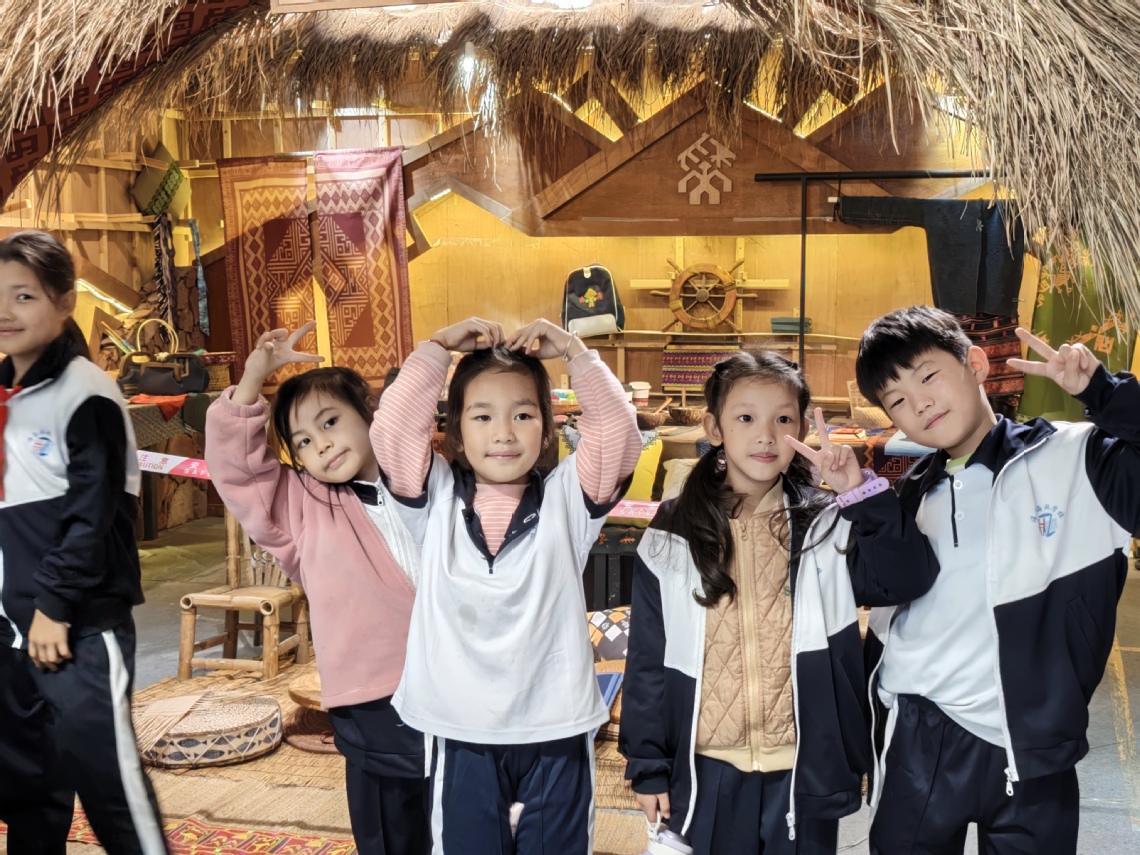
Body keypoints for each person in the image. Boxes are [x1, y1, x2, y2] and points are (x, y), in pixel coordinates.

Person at [619, 350, 939, 855]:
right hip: (707, 770)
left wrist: (861, 493)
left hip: (804, 767)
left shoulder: (828, 523)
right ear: (715, 427)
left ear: (802, 430)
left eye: (783, 419)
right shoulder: (673, 532)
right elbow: (647, 660)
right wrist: (647, 766)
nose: (766, 435)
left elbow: (905, 580)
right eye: (746, 418)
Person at [856, 306, 1139, 854]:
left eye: (929, 376)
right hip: (920, 730)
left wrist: (1104, 393)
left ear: (977, 364)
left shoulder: (1075, 457)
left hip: (1038, 741)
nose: (920, 403)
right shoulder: (908, 495)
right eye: (897, 400)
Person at [371, 317, 643, 855]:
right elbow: (393, 433)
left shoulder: (569, 498)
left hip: (556, 725)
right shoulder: (433, 498)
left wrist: (574, 350)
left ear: (547, 428)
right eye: (482, 416)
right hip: (461, 726)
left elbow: (617, 433)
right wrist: (437, 347)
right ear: (455, 431)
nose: (503, 433)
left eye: (523, 414)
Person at [205, 324, 429, 855]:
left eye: (330, 422)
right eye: (303, 441)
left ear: (370, 415)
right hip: (374, 699)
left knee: (452, 813)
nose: (321, 443)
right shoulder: (300, 506)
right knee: (391, 824)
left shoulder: (425, 482)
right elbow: (239, 469)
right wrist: (252, 379)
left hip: (448, 683)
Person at [0, 230, 166, 855]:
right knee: (30, 788)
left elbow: (90, 514)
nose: (5, 311)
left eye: (23, 296)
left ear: (65, 301)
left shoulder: (85, 392)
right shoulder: (7, 396)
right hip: (11, 632)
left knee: (108, 785)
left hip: (77, 627)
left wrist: (54, 606)